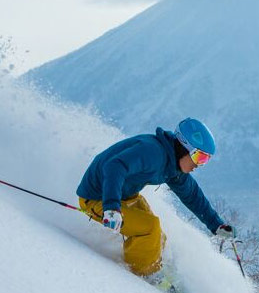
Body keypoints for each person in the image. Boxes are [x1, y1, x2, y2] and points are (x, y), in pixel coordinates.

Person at [76, 117, 235, 278]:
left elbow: (193, 196)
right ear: (184, 147)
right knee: (149, 228)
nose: (199, 165)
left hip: (124, 196)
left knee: (158, 237)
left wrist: (217, 225)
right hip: (98, 197)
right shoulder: (152, 153)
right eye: (199, 157)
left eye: (205, 160)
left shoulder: (174, 168)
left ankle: (154, 271)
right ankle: (139, 277)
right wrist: (111, 207)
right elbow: (114, 166)